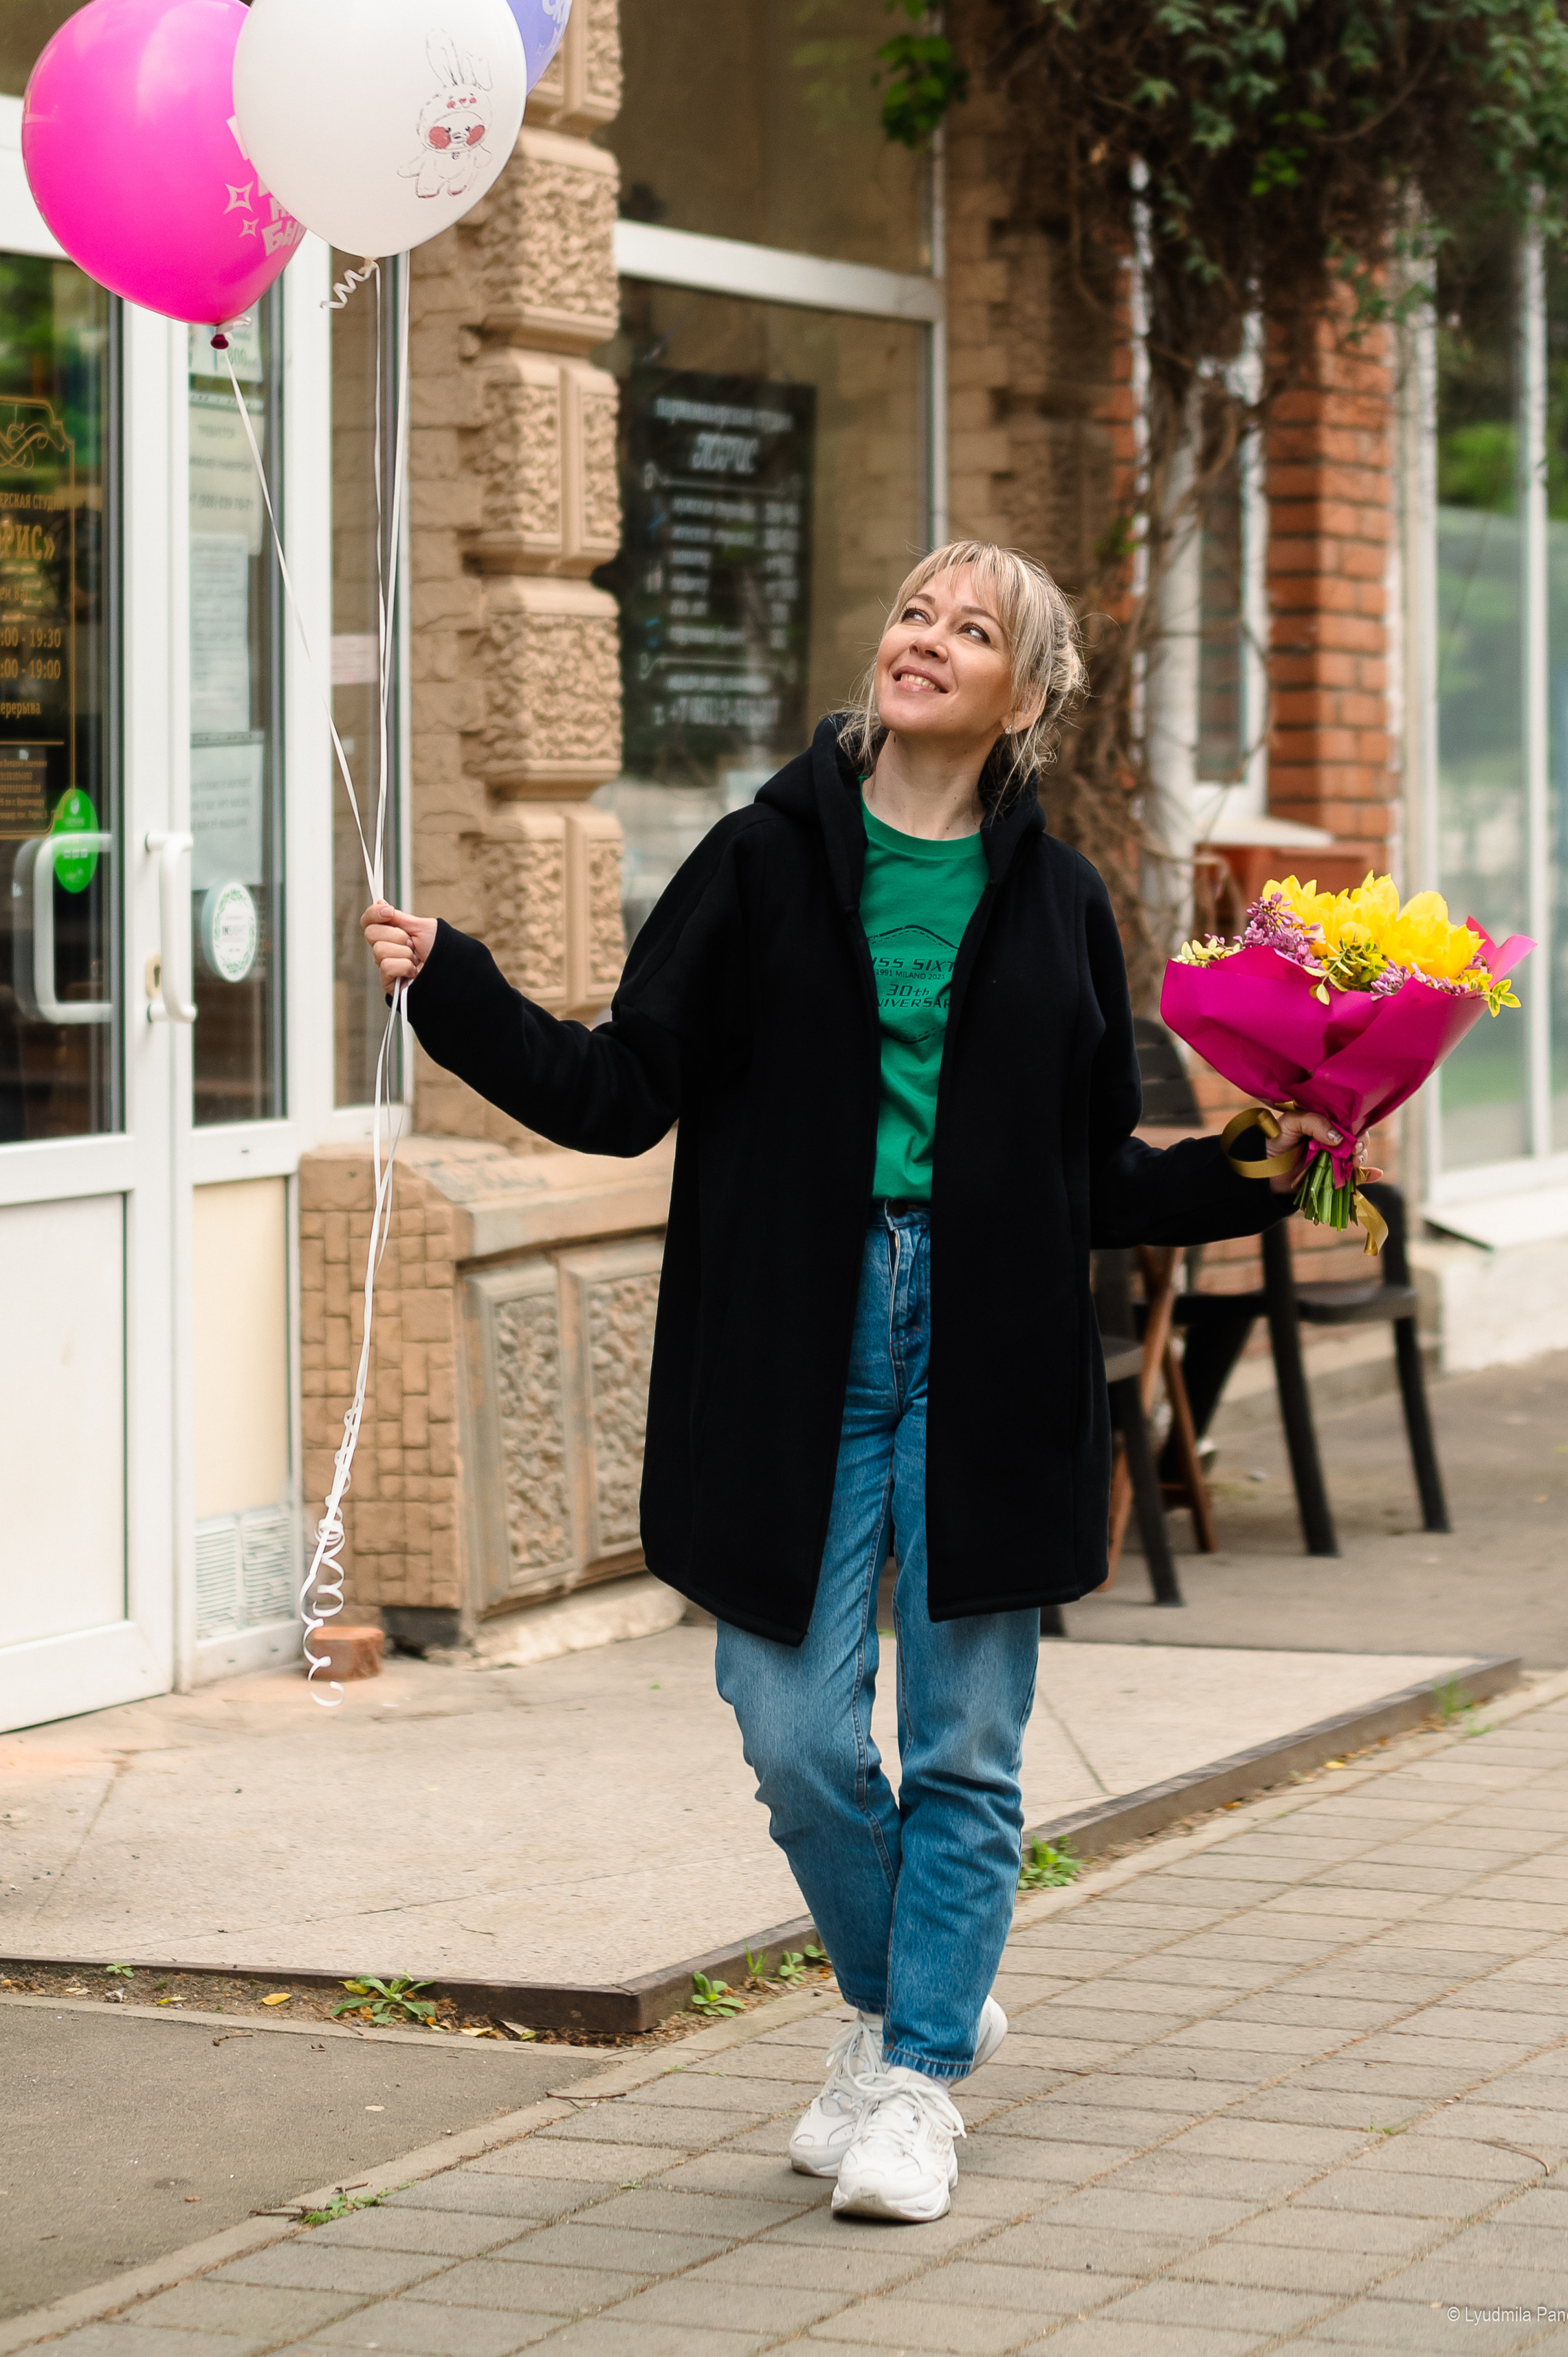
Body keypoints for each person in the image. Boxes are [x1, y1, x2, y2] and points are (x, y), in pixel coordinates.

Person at [363, 540, 1352, 2225]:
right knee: (793, 1728)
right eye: (911, 610)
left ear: (1019, 697)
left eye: (971, 630)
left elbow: (1097, 1174)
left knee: (965, 1747)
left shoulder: (1057, 903)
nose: (925, 639)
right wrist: (452, 985)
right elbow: (621, 1092)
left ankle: (913, 2080)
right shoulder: (757, 862)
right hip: (790, 1338)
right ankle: (921, 2002)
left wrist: (1276, 1156)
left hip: (991, 1345)